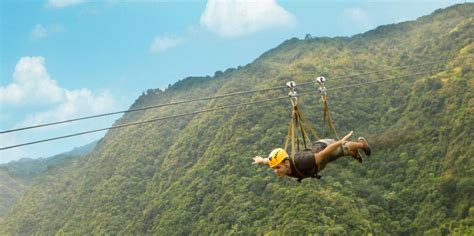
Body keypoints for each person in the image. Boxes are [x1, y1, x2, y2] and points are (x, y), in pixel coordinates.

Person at [252, 131, 371, 182]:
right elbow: (269, 161)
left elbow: (324, 154)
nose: (275, 171)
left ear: (286, 163)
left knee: (342, 149)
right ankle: (352, 153)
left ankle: (361, 145)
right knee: (340, 153)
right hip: (318, 164)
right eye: (274, 168)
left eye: (277, 168)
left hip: (323, 147)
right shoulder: (282, 163)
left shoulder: (303, 161)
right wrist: (261, 160)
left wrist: (339, 142)